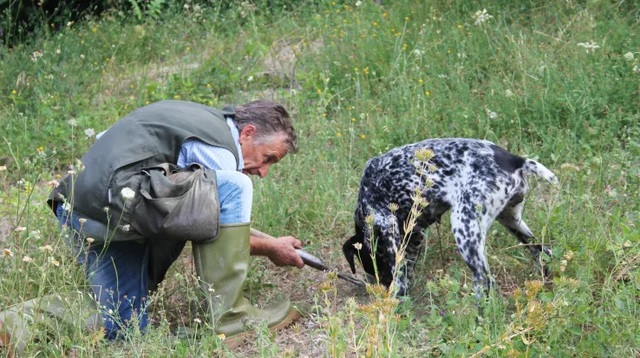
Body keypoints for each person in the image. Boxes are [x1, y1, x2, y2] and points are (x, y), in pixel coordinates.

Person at [0, 99, 305, 354]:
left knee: (123, 322)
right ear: (248, 133)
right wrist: (269, 247)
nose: (263, 172)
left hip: (80, 208)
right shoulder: (221, 150)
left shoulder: (190, 117)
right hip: (119, 201)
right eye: (267, 159)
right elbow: (215, 219)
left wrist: (270, 242)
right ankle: (232, 317)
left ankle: (15, 323)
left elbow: (212, 217)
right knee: (234, 187)